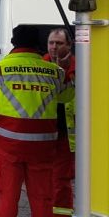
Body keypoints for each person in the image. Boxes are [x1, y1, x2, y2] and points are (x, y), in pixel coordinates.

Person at [0, 25, 73, 217]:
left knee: (7, 203)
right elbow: (67, 96)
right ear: (38, 45)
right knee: (43, 201)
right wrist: (66, 70)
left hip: (7, 148)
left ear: (14, 43)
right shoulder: (55, 72)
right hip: (43, 148)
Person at [43, 28, 77, 216]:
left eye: (59, 43)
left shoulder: (80, 68)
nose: (54, 47)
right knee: (42, 180)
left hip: (66, 136)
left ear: (69, 46)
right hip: (42, 134)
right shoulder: (41, 66)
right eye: (51, 43)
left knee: (61, 181)